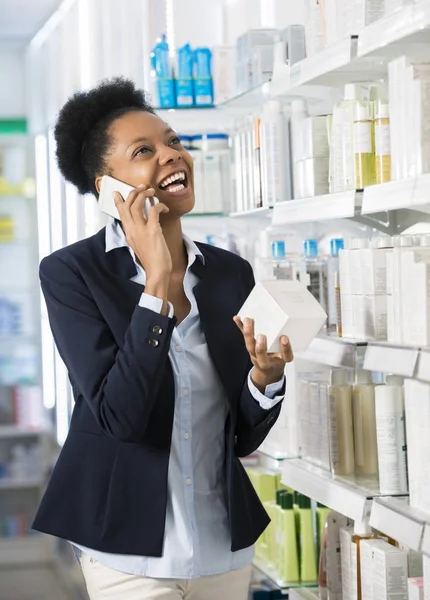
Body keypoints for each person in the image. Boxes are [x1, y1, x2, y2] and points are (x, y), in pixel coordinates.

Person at [33, 77, 294, 600]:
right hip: (129, 550)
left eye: (174, 142)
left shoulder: (229, 273)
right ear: (108, 186)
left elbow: (240, 436)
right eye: (144, 151)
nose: (172, 156)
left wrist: (264, 381)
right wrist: (158, 283)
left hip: (223, 541)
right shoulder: (71, 274)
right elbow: (120, 417)